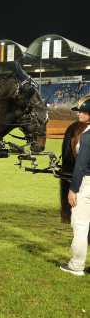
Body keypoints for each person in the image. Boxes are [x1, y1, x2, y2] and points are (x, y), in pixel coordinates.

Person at [61, 96, 90, 276]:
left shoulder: (87, 136)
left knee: (80, 225)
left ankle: (76, 266)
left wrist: (73, 189)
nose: (79, 114)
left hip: (86, 183)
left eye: (83, 111)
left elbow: (80, 166)